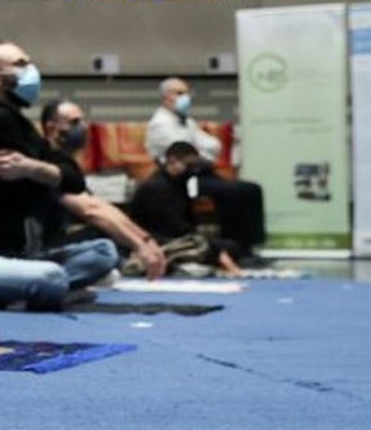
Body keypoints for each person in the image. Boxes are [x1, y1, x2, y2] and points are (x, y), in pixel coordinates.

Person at [0, 43, 119, 310]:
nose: (31, 71)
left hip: (16, 256)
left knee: (104, 252)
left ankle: (24, 294)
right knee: (51, 277)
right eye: (21, 64)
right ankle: (39, 292)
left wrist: (33, 168)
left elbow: (74, 179)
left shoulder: (18, 123)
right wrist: (47, 171)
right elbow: (65, 177)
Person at [38, 100, 168, 280]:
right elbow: (90, 210)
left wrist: (146, 239)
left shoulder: (68, 165)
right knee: (104, 243)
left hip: (53, 240)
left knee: (113, 232)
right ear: (52, 129)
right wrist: (139, 245)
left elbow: (101, 206)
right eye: (74, 122)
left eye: (82, 121)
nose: (83, 127)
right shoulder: (46, 164)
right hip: (35, 249)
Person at [145, 77, 267, 258]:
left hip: (202, 173)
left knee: (250, 189)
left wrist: (200, 155)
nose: (185, 97)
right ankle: (236, 249)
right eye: (179, 93)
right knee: (235, 192)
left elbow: (213, 145)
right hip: (182, 180)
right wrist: (200, 155)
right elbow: (183, 153)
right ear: (166, 98)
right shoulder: (160, 123)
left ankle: (247, 245)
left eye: (186, 93)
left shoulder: (185, 121)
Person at [127, 142, 244, 277]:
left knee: (229, 246)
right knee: (213, 247)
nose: (193, 169)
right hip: (157, 241)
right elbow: (177, 227)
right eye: (190, 165)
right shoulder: (157, 188)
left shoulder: (177, 183)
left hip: (174, 237)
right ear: (172, 161)